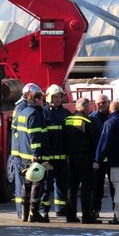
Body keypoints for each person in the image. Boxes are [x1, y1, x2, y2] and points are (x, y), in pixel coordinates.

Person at [63, 97, 102, 224]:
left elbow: (62, 140)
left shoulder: (67, 120)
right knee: (87, 187)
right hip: (86, 158)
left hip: (70, 158)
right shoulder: (89, 121)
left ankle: (70, 215)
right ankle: (87, 216)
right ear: (86, 108)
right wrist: (97, 159)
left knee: (72, 187)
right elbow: (97, 142)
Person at [18, 88, 50, 223]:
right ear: (37, 100)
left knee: (26, 185)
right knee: (36, 184)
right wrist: (36, 155)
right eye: (42, 99)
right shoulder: (35, 114)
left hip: (23, 155)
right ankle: (34, 214)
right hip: (33, 157)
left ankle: (24, 215)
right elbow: (35, 136)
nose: (43, 102)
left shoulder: (23, 112)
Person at [11, 83, 41, 219]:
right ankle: (21, 212)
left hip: (20, 151)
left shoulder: (20, 107)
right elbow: (18, 131)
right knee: (23, 183)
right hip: (21, 153)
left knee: (24, 183)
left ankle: (23, 213)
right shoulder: (23, 108)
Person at [42, 84, 70, 219]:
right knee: (46, 185)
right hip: (48, 157)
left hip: (62, 157)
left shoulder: (65, 114)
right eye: (55, 97)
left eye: (59, 97)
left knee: (62, 183)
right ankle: (44, 211)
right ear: (48, 98)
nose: (58, 99)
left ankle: (60, 209)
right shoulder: (43, 113)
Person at [89, 92, 113, 220]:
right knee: (97, 186)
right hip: (98, 159)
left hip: (112, 158)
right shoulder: (92, 118)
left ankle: (118, 211)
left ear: (109, 103)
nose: (102, 105)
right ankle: (95, 210)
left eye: (104, 102)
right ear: (95, 104)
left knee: (114, 185)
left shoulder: (113, 117)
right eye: (99, 103)